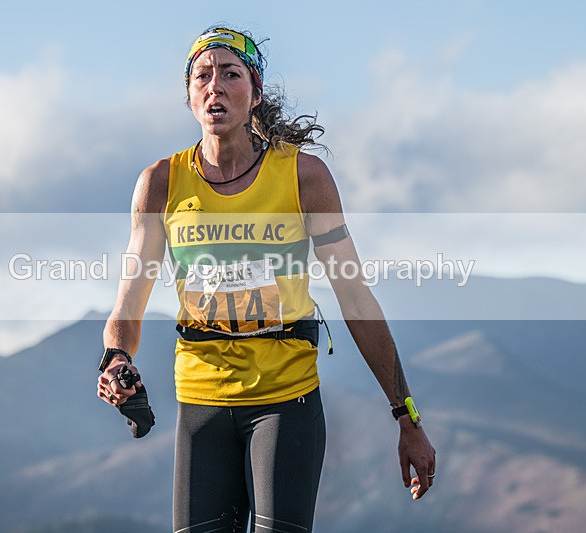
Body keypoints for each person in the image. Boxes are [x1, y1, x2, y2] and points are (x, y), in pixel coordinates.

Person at [97, 26, 436, 532]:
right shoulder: (161, 183)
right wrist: (116, 357)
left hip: (285, 397)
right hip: (201, 401)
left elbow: (354, 296)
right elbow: (130, 299)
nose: (215, 85)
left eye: (230, 74)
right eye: (202, 76)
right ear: (189, 96)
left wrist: (405, 414)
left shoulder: (303, 177)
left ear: (255, 92)